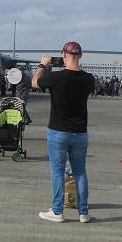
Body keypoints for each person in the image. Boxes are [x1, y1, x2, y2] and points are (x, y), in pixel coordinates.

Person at [32, 41, 94, 224]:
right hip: (81, 133)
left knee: (57, 172)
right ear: (81, 55)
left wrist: (43, 65)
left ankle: (57, 211)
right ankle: (84, 212)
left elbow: (34, 83)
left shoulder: (57, 78)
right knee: (80, 172)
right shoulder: (89, 79)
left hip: (58, 131)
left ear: (64, 55)